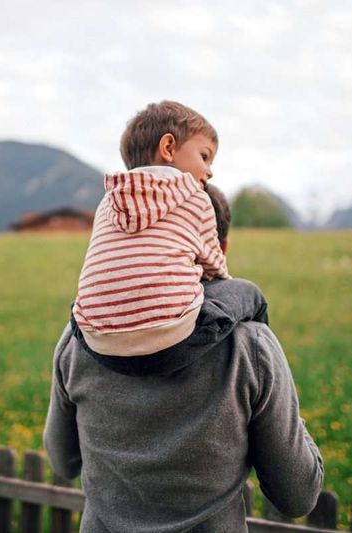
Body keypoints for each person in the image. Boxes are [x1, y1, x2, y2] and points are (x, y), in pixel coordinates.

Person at [44, 180, 325, 531]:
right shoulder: (250, 347)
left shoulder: (81, 337)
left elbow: (62, 460)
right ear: (219, 247)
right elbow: (297, 496)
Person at [71, 101, 265, 359]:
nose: (210, 172)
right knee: (248, 293)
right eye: (204, 156)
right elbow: (215, 266)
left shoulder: (108, 201)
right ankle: (258, 354)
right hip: (173, 340)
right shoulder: (196, 199)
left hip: (98, 344)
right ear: (168, 148)